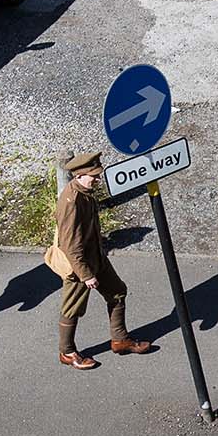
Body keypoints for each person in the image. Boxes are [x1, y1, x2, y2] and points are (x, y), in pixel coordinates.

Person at [51, 151, 153, 369]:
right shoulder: (71, 202)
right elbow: (70, 245)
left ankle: (120, 340)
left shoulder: (85, 192)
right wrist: (86, 275)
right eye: (93, 175)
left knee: (117, 291)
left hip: (96, 256)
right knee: (72, 308)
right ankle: (67, 352)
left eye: (98, 175)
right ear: (79, 175)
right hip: (80, 266)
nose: (98, 179)